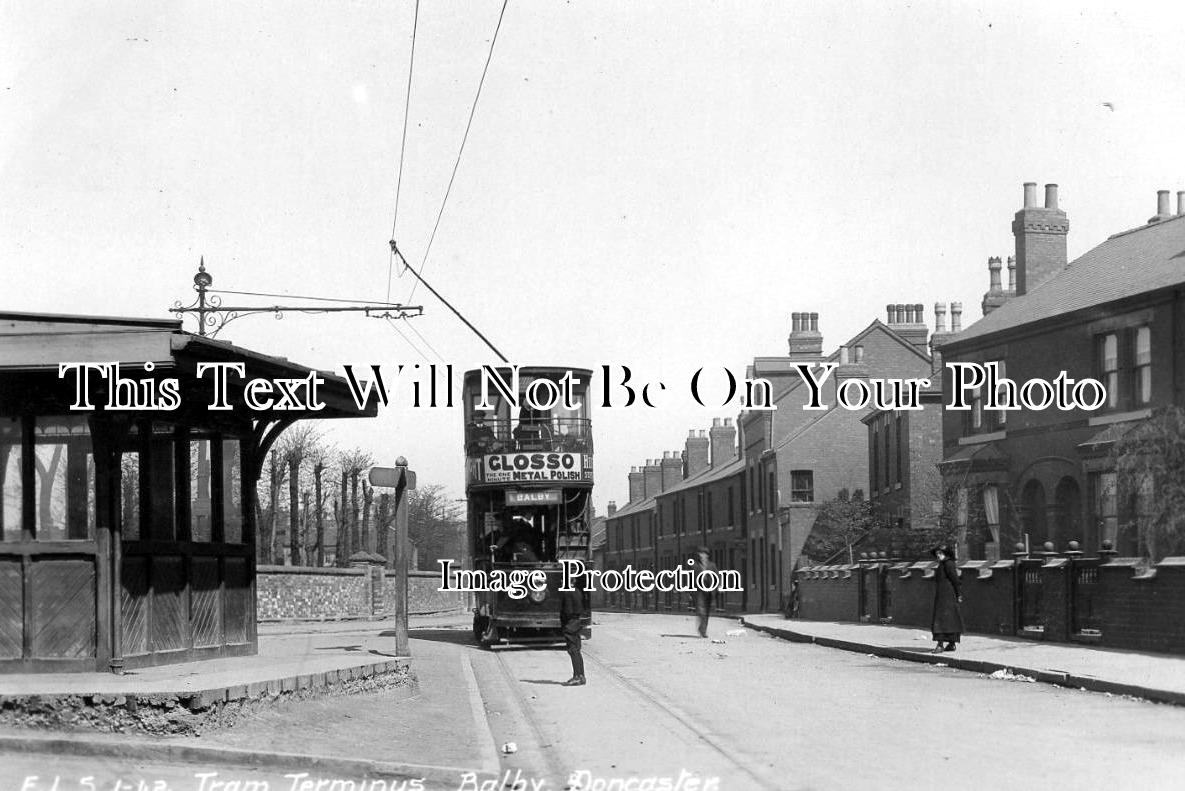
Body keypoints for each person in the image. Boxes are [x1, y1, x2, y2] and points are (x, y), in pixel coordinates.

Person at [930, 545, 964, 652]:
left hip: (947, 595)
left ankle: (940, 645)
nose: (938, 555)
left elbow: (955, 580)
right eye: (937, 554)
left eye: (940, 553)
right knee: (949, 619)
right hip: (943, 595)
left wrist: (958, 594)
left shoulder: (948, 564)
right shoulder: (943, 564)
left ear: (946, 554)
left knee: (942, 619)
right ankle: (951, 644)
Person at [559, 573, 587, 686]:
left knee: (572, 650)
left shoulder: (567, 592)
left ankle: (576, 676)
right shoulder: (577, 591)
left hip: (570, 623)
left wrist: (564, 622)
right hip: (577, 622)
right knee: (577, 650)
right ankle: (581, 676)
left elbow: (567, 611)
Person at [692, 546, 719, 638]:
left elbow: (717, 577)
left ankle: (703, 629)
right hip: (699, 590)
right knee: (701, 610)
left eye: (704, 554)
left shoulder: (712, 565)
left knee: (706, 611)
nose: (702, 556)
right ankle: (702, 630)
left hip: (709, 590)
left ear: (707, 555)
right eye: (700, 554)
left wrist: (717, 588)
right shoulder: (695, 566)